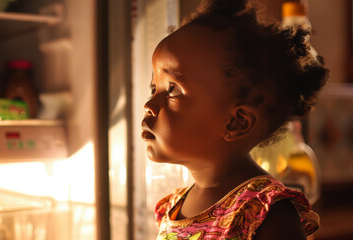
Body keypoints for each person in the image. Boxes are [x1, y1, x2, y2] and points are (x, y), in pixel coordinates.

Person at [140, 0, 328, 239]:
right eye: (153, 87)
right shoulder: (173, 206)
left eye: (173, 90)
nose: (149, 105)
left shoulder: (265, 212)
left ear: (236, 122)